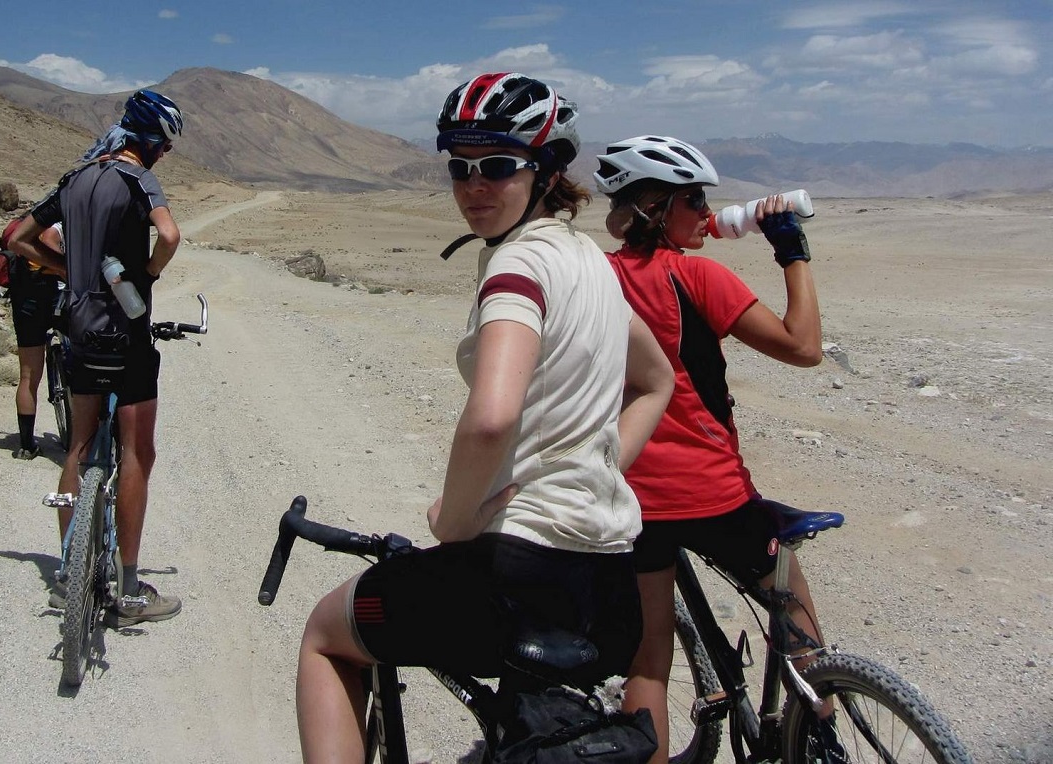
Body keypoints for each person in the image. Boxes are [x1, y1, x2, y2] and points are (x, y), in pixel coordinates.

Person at [295, 73, 674, 761]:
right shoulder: (591, 263)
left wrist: (456, 520)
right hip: (608, 585)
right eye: (459, 168)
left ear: (547, 170)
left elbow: (492, 417)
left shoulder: (516, 270)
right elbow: (655, 382)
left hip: (518, 578)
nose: (474, 186)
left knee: (325, 636)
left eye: (498, 166)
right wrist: (593, 470)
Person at [593, 136, 836, 762]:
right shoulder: (696, 274)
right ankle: (820, 738)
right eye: (693, 200)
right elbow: (804, 346)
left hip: (631, 496)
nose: (706, 213)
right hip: (712, 492)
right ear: (655, 208)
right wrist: (792, 252)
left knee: (648, 660)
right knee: (793, 608)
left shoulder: (594, 277)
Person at [8, 89, 184, 626]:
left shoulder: (76, 178)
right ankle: (128, 590)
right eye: (164, 145)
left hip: (79, 331)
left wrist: (69, 272)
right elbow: (169, 235)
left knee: (78, 448)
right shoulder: (137, 178)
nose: (164, 155)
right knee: (137, 453)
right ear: (148, 140)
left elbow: (18, 239)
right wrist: (147, 275)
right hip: (126, 335)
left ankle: (68, 577)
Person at [1, 216, 65, 460]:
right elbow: (49, 239)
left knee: (28, 376)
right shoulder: (58, 224)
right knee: (79, 362)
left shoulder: (32, 223)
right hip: (54, 297)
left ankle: (27, 445)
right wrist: (64, 269)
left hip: (25, 298)